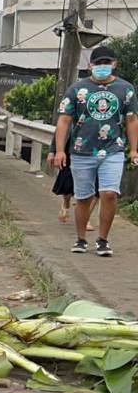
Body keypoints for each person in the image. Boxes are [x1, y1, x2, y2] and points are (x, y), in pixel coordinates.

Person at [53, 44, 138, 256]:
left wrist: (134, 149)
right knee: (84, 197)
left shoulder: (125, 89)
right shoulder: (77, 89)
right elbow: (64, 120)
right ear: (90, 65)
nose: (102, 67)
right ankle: (81, 239)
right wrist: (59, 150)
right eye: (98, 63)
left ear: (114, 64)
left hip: (113, 149)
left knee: (109, 193)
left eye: (106, 63)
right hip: (82, 150)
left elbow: (132, 119)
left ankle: (103, 240)